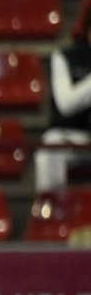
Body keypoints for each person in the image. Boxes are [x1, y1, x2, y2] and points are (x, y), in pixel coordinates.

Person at [36, 21, 91, 193]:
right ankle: (52, 213)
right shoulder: (65, 57)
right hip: (72, 136)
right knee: (49, 149)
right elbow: (66, 104)